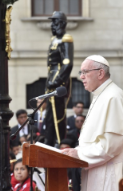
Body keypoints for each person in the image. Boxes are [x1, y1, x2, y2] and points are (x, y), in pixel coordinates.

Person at [62, 55, 123, 191]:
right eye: (81, 72)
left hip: (112, 176)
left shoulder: (113, 97)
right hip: (100, 171)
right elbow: (94, 141)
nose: (81, 77)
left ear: (100, 73)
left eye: (85, 72)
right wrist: (76, 151)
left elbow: (110, 147)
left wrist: (79, 155)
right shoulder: (101, 94)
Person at [44, 11, 73, 146]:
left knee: (58, 114)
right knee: (49, 114)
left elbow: (67, 63)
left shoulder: (66, 39)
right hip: (51, 77)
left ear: (61, 23)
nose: (52, 25)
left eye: (55, 22)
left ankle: (59, 142)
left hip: (58, 80)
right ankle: (49, 140)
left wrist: (57, 81)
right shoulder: (53, 40)